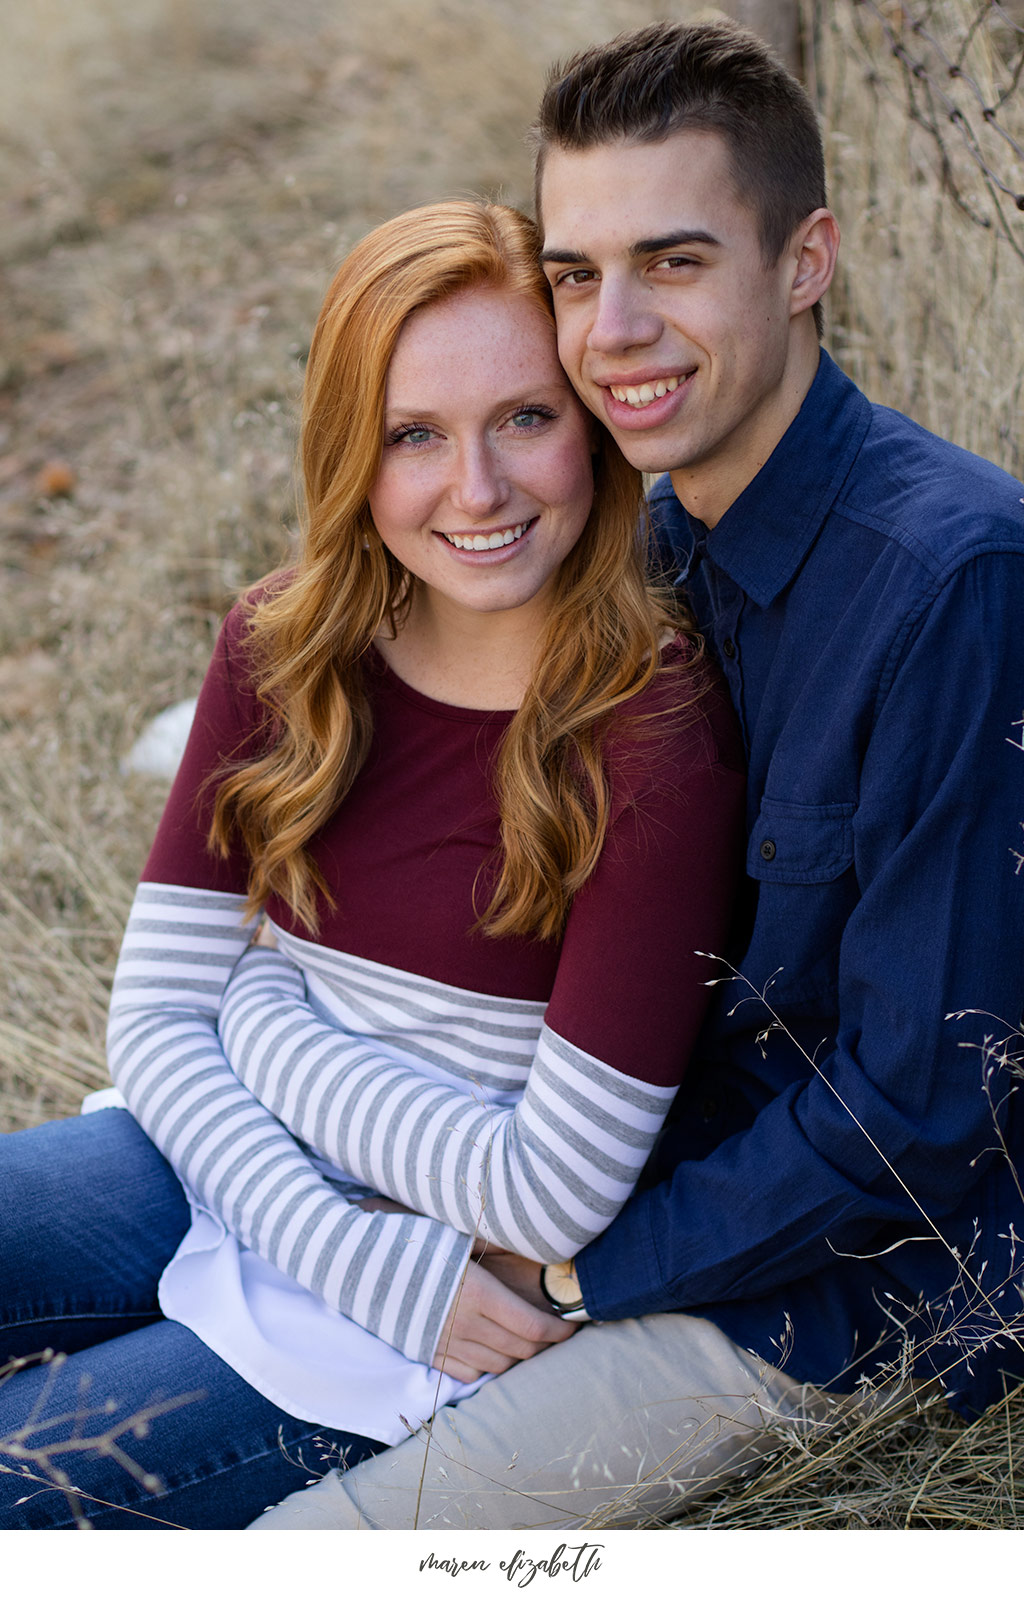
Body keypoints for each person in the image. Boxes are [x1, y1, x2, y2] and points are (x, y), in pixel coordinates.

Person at [251, 18, 1024, 1531]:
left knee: (306, 1552)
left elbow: (919, 1111)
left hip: (815, 1287)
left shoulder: (956, 584)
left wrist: (566, 1271)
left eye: (672, 262)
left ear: (806, 261)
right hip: (566, 1166)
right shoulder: (651, 539)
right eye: (575, 273)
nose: (609, 330)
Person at [0, 199, 744, 1529]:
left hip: (429, 1305)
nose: (478, 490)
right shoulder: (282, 649)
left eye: (525, 417)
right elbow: (157, 1021)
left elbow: (548, 1190)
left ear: (594, 421)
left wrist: (261, 1014)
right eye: (416, 435)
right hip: (225, 1160)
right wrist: (332, 1229)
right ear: (356, 451)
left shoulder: (653, 734)